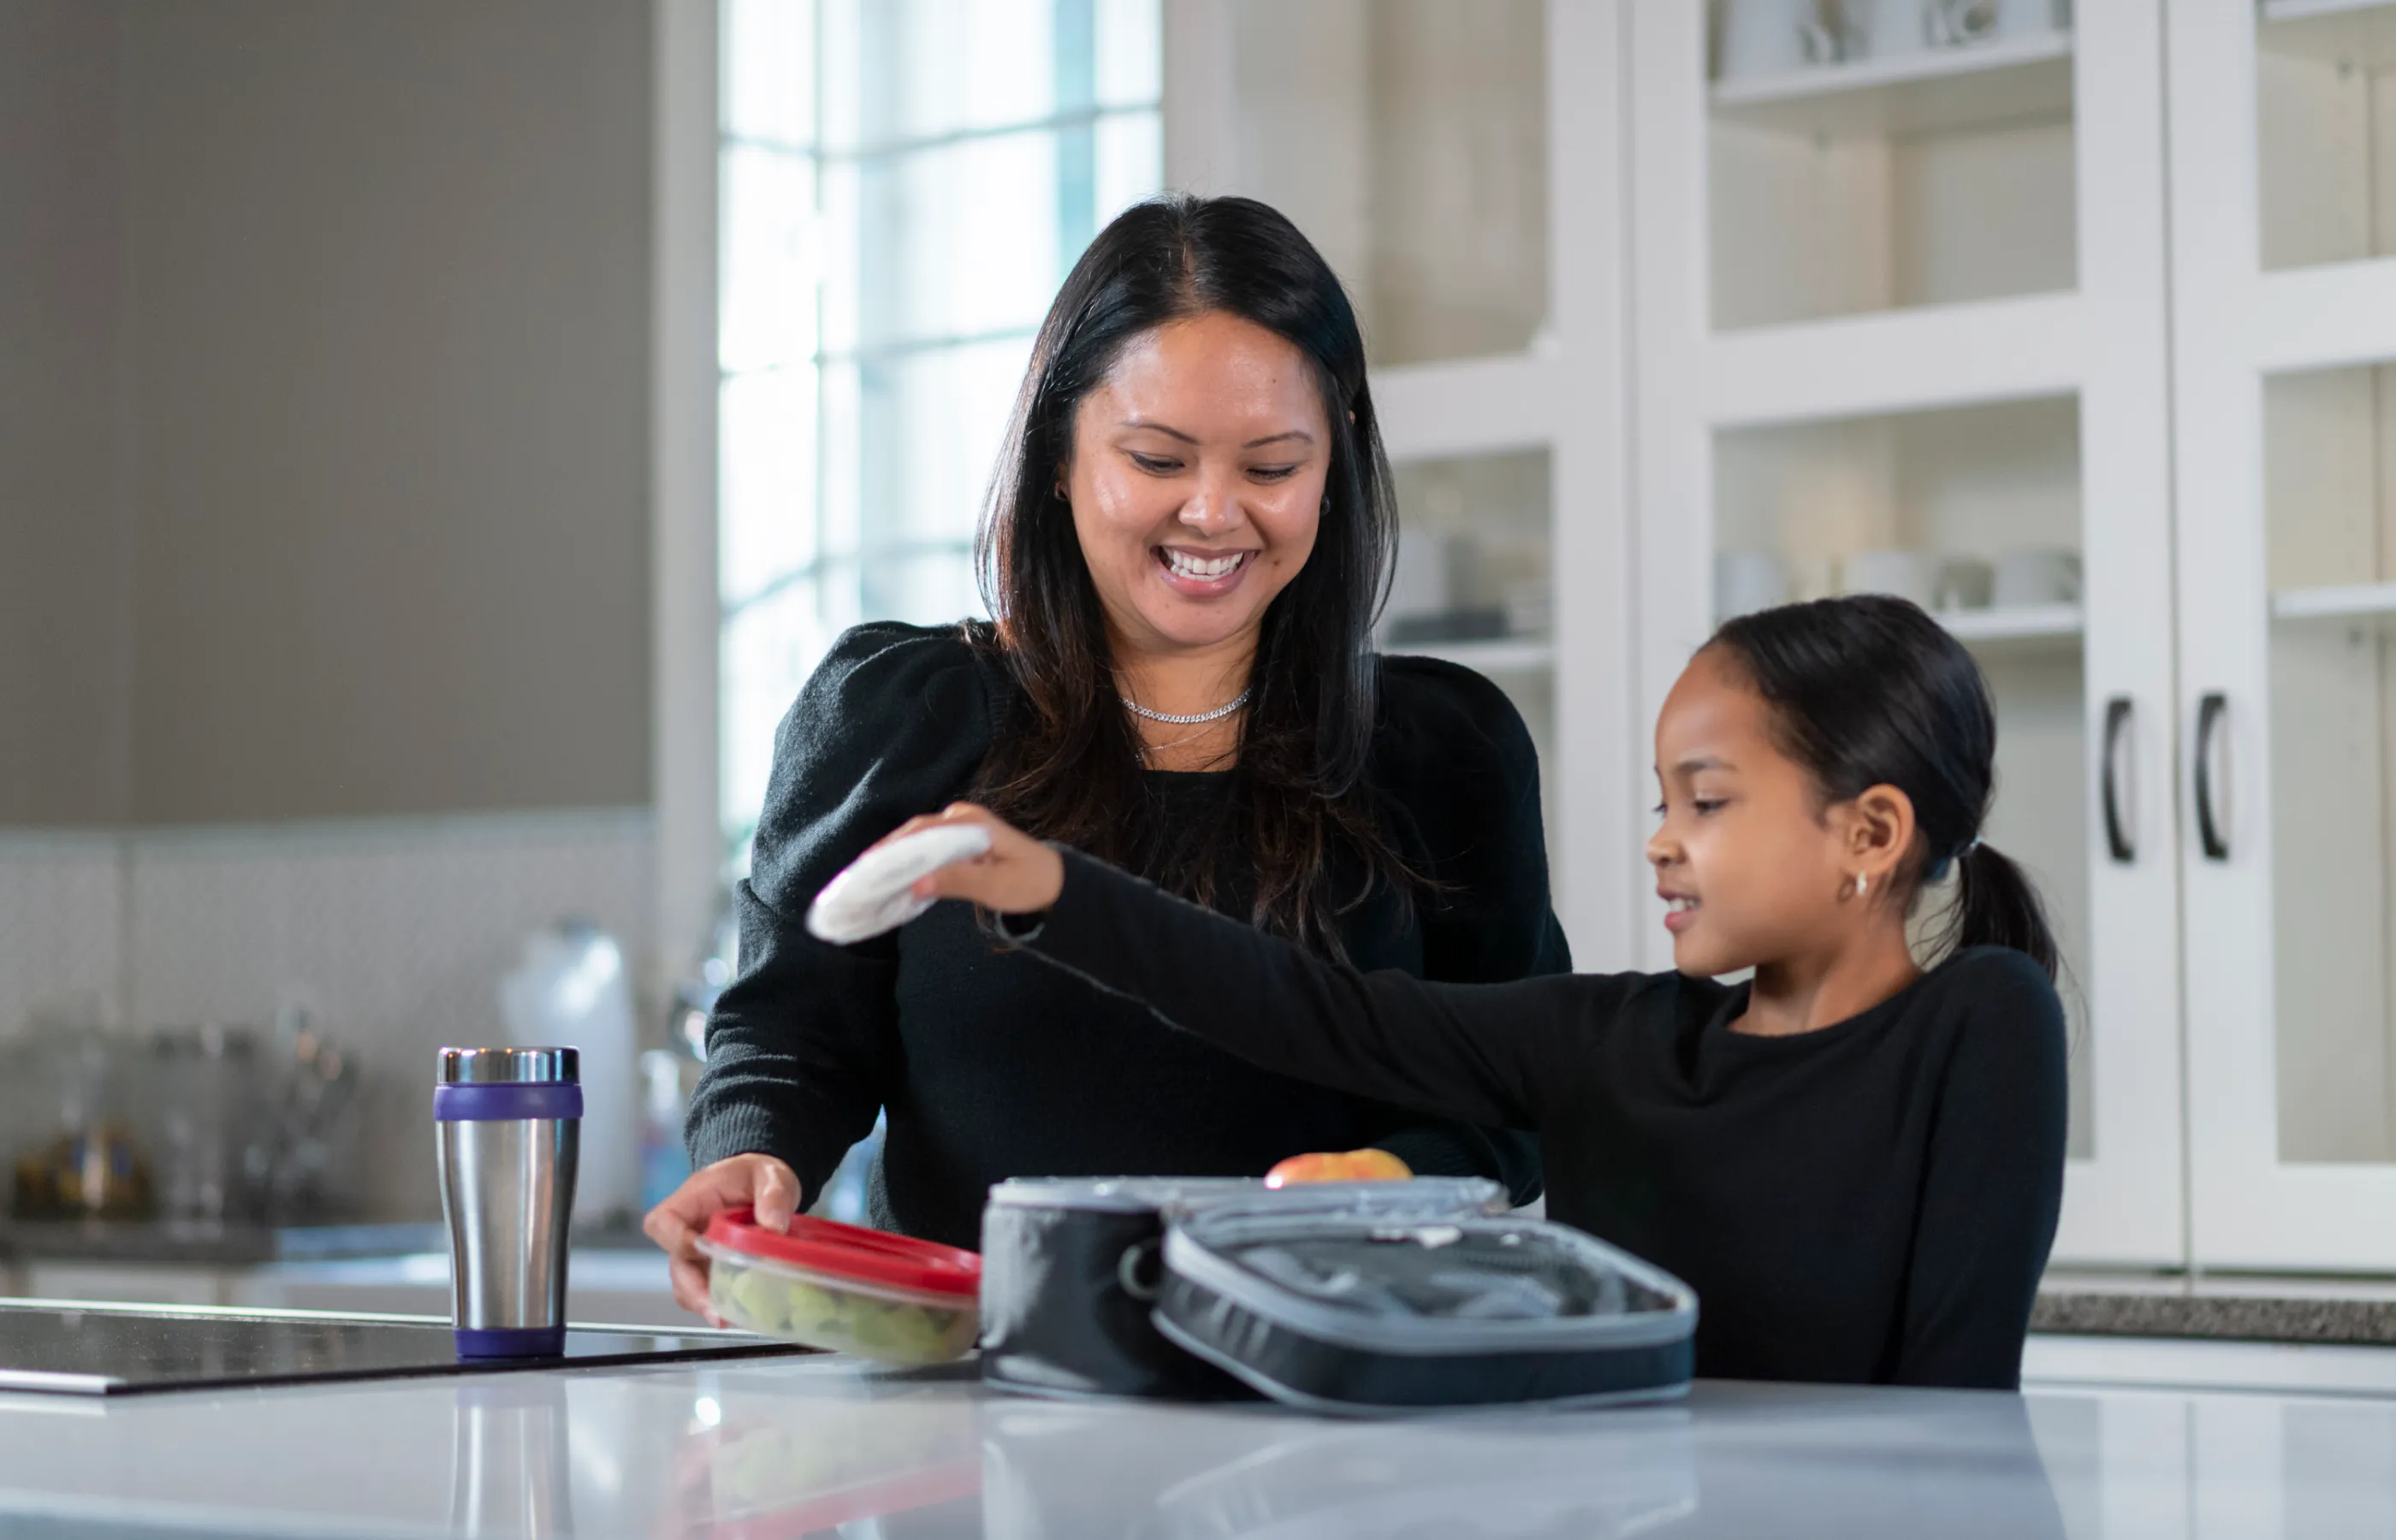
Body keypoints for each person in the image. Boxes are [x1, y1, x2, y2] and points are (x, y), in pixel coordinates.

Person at [644, 194, 1567, 1310]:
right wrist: (754, 1157)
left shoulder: (1439, 749)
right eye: (1157, 459)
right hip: (977, 1397)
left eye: (1272, 467)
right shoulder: (900, 716)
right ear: (1057, 455)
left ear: (1337, 469)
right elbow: (790, 1030)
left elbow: (1517, 1088)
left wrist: (1389, 1178)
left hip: (1329, 1384)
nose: (1215, 513)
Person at [885, 595, 2070, 1389]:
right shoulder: (1606, 1041)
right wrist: (1054, 887)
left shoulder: (1985, 1020)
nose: (1661, 842)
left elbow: (1957, 1404)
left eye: (1705, 803)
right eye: (1663, 804)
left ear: (1870, 831)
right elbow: (1311, 1009)